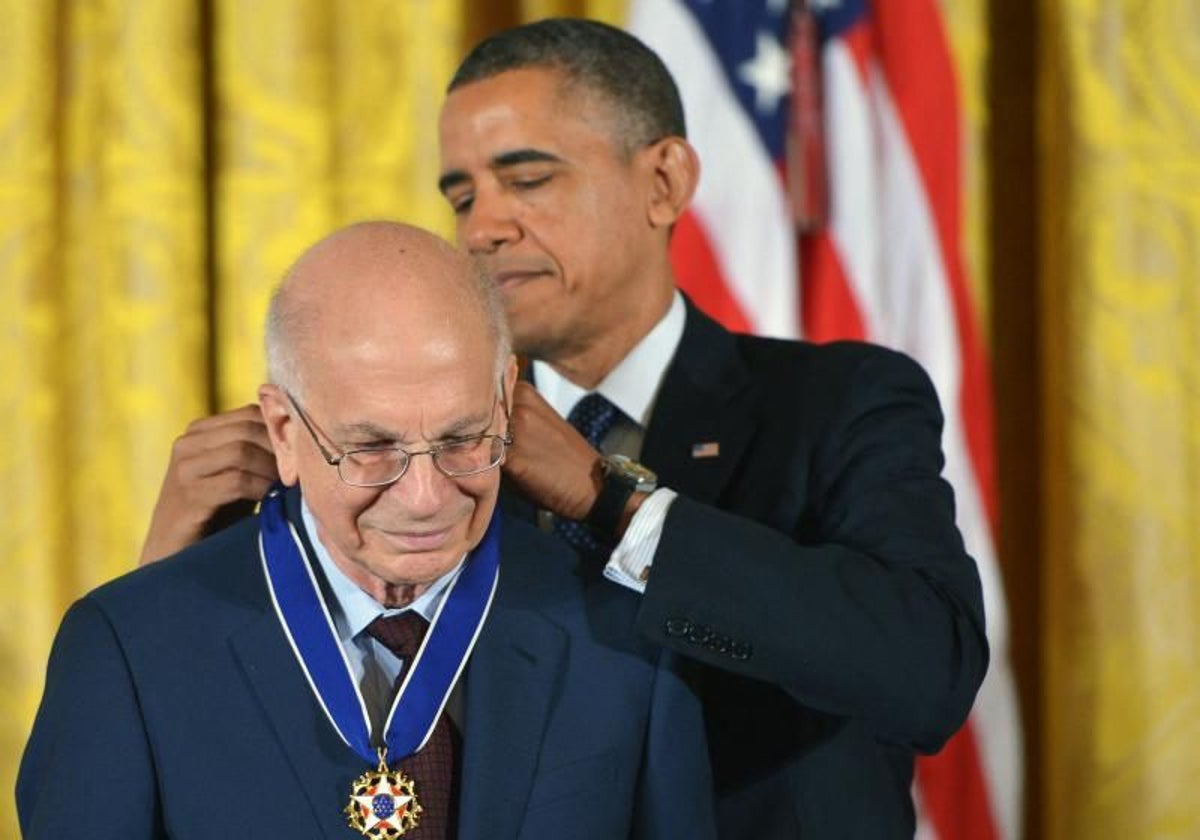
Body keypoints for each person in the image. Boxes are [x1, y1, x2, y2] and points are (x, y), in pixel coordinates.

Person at [136, 19, 989, 838]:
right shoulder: (402, 444)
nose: (481, 227)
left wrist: (604, 498)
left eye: (528, 178)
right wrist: (171, 566)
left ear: (664, 183)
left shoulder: (839, 403)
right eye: (462, 194)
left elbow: (925, 675)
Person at [18, 221, 718, 840]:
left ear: (505, 399)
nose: (424, 497)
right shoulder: (130, 648)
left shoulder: (624, 638)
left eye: (463, 439)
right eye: (370, 450)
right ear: (285, 431)